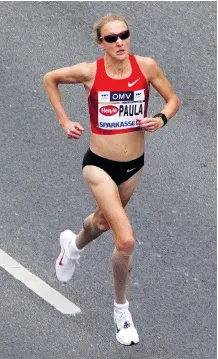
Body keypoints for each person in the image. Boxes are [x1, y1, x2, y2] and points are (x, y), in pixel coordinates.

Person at [43, 13, 180, 346]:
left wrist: (161, 119)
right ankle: (121, 312)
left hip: (134, 167)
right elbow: (50, 78)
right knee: (126, 240)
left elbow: (173, 100)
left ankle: (71, 247)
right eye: (111, 38)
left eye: (124, 35)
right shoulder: (90, 72)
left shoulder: (146, 67)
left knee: (102, 223)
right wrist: (64, 120)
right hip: (98, 165)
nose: (119, 42)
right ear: (100, 42)